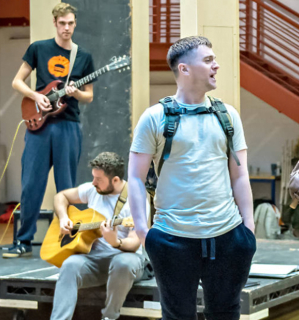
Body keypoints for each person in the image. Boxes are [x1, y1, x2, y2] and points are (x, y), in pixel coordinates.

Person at [128, 36, 256, 320]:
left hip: (228, 237)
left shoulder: (228, 116)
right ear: (184, 69)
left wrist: (248, 229)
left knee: (226, 313)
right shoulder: (154, 117)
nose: (217, 66)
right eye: (208, 60)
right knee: (177, 316)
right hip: (172, 238)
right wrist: (142, 231)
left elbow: (240, 174)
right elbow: (135, 178)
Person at [5, 2, 95, 258]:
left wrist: (76, 92)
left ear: (75, 24)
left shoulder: (84, 56)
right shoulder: (38, 48)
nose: (67, 28)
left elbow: (89, 96)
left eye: (71, 24)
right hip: (38, 126)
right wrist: (36, 96)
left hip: (68, 125)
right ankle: (23, 241)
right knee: (31, 184)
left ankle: (66, 238)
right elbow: (16, 82)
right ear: (55, 23)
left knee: (66, 186)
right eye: (62, 23)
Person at [51, 152, 147, 320]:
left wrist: (116, 242)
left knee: (123, 262)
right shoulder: (92, 189)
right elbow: (61, 196)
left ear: (115, 180)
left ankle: (109, 317)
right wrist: (64, 218)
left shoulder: (136, 198)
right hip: (93, 260)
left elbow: (134, 243)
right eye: (93, 178)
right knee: (70, 264)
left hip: (125, 260)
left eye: (99, 179)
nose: (94, 182)